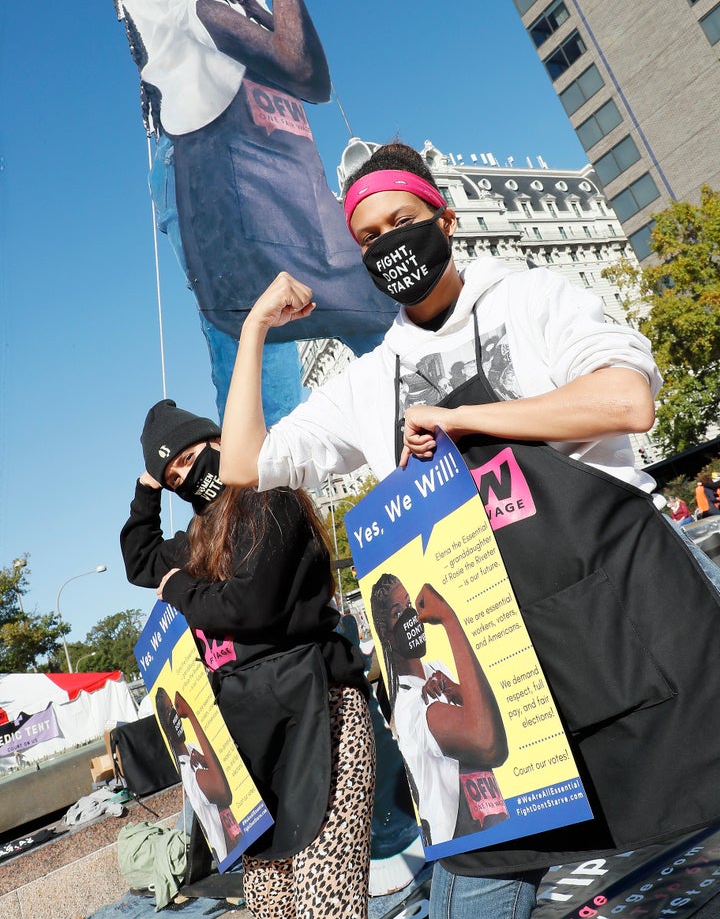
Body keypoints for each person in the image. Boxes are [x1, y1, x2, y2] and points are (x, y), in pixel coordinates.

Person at [216, 141, 720, 919]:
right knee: (478, 885)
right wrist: (254, 329)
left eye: (403, 221)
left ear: (444, 218)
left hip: (628, 615)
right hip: (494, 667)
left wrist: (462, 419)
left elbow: (626, 400)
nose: (389, 245)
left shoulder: (534, 297)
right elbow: (244, 468)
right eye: (368, 239)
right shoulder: (369, 378)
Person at [109, 0, 394, 420]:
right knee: (260, 354)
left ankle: (445, 454)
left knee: (378, 312)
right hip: (211, 173)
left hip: (287, 165)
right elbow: (290, 61)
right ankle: (269, 502)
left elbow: (312, 77)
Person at [120, 399, 375, 919]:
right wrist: (148, 487)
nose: (185, 478)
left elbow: (250, 605)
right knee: (271, 904)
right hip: (252, 736)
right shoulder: (198, 534)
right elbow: (141, 560)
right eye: (173, 478)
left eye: (189, 459)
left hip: (319, 714)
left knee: (325, 903)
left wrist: (183, 592)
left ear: (218, 439)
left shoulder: (268, 495)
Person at [370, 575, 508, 848]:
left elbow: (487, 715)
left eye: (409, 604)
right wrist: (449, 619)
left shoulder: (436, 671)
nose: (410, 616)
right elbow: (489, 743)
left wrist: (458, 690)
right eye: (398, 613)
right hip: (465, 849)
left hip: (498, 828)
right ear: (385, 633)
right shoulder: (409, 705)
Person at [155, 687, 235, 863]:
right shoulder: (187, 772)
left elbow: (217, 766)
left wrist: (205, 759)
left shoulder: (192, 750)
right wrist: (191, 714)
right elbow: (222, 790)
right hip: (230, 854)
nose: (175, 714)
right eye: (169, 711)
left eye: (174, 707)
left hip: (238, 837)